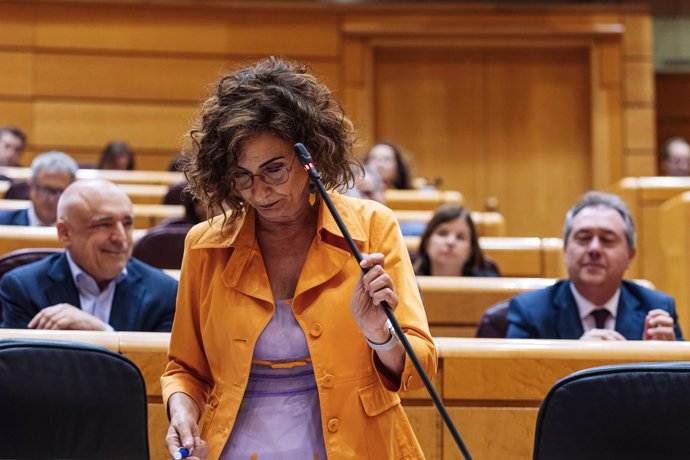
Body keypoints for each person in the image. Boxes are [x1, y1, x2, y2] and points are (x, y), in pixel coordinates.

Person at [161, 57, 435, 460]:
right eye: (242, 176)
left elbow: (419, 368)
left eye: (274, 169)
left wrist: (380, 333)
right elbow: (185, 368)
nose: (260, 191)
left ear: (312, 159)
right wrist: (181, 411)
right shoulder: (205, 245)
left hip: (358, 447)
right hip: (237, 446)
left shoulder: (371, 227)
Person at [0, 179, 178, 331]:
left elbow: (158, 368)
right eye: (104, 224)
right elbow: (20, 368)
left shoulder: (165, 293)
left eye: (127, 223)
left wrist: (102, 332)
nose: (121, 237)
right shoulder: (23, 288)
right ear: (65, 233)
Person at [506, 191, 682, 341]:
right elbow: (518, 379)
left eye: (607, 240)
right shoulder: (530, 312)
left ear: (630, 255)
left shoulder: (657, 309)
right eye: (583, 238)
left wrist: (663, 361)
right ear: (566, 250)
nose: (594, 249)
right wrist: (577, 359)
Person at [414, 204, 500, 277]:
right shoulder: (406, 277)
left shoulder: (487, 281)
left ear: (471, 250)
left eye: (460, 237)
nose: (450, 242)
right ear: (427, 242)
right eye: (442, 234)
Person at [0, 151, 78, 226]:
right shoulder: (3, 223)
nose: (52, 199)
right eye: (46, 190)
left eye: (60, 191)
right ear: (30, 188)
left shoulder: (80, 229)